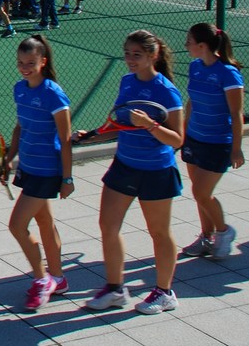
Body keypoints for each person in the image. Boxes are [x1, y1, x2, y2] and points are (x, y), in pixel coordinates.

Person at [81, 29, 184, 315]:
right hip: (124, 165)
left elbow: (177, 139)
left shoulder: (167, 91)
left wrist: (150, 124)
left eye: (136, 55)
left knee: (159, 232)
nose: (130, 59)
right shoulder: (127, 81)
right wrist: (92, 135)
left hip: (156, 170)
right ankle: (115, 289)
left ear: (153, 55)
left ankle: (165, 293)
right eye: (127, 53)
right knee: (108, 226)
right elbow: (120, 124)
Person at [6, 36, 73, 311]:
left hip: (47, 170)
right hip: (29, 166)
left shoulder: (53, 93)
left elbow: (65, 138)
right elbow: (20, 127)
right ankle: (58, 278)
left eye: (31, 63)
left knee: (17, 225)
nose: (25, 68)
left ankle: (41, 278)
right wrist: (9, 158)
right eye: (21, 63)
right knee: (45, 221)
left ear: (43, 61)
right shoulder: (20, 89)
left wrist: (67, 178)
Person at [180, 22, 245, 259]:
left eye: (189, 41)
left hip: (218, 143)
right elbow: (192, 101)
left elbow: (236, 113)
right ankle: (206, 238)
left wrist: (236, 148)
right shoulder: (195, 66)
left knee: (201, 192)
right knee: (199, 192)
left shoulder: (228, 73)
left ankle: (224, 231)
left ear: (202, 45)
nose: (185, 45)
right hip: (194, 138)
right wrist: (184, 132)